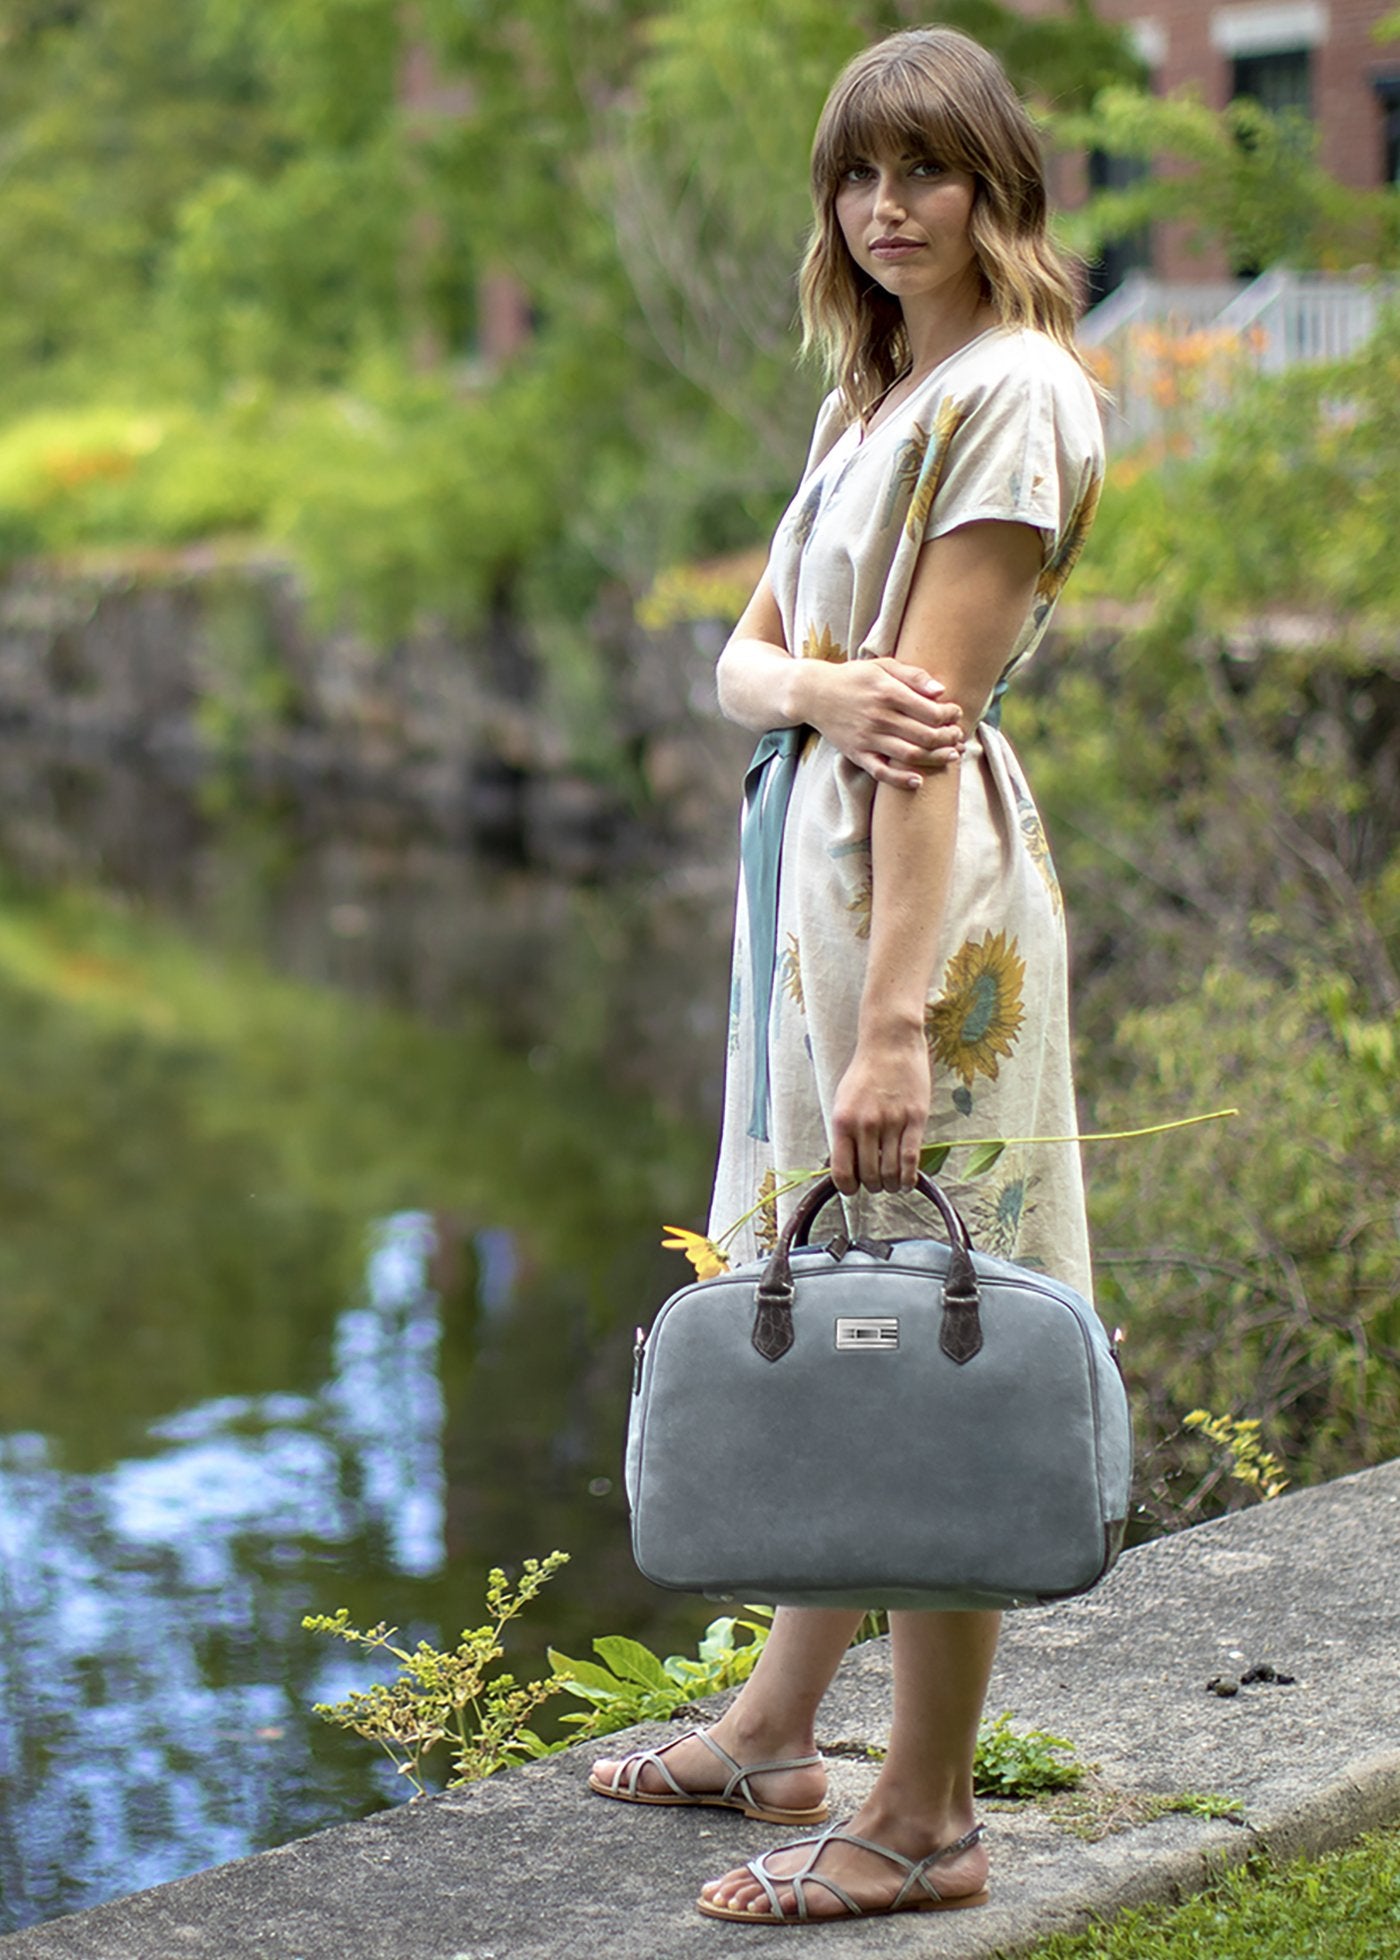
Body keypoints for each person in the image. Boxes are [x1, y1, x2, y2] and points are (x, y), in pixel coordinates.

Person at [591, 24, 1105, 1924]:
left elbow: (928, 733)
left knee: (927, 1340)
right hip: (808, 904)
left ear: (996, 185)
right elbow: (752, 665)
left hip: (922, 926)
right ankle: (779, 1728)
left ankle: (928, 1814)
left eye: (928, 173)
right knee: (828, 1293)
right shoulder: (866, 398)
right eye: (859, 177)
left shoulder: (1016, 397)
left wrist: (893, 1025)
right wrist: (808, 679)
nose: (888, 212)